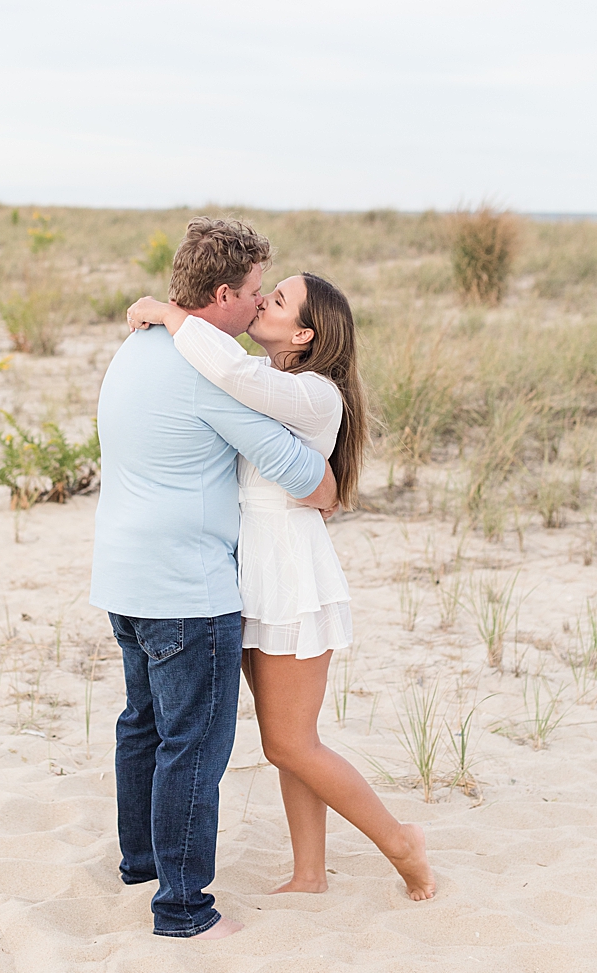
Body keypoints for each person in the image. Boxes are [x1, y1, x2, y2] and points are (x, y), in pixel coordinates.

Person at [127, 269, 437, 902]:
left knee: (290, 743)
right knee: (291, 745)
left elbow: (234, 375)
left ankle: (401, 840)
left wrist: (171, 312)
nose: (262, 302)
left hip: (291, 573)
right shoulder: (278, 385)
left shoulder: (316, 393)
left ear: (303, 333)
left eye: (278, 299)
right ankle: (309, 873)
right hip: (249, 572)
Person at [88, 217, 337, 940]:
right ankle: (185, 908)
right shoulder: (205, 370)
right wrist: (330, 484)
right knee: (193, 745)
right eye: (256, 290)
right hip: (185, 590)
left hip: (123, 577)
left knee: (143, 725)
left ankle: (142, 864)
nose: (260, 304)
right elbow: (303, 476)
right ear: (223, 293)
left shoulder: (134, 347)